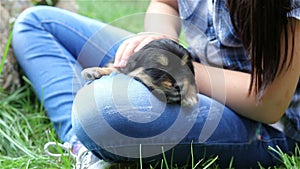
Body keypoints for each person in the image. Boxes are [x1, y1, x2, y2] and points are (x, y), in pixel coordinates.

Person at [12, 0, 299, 168]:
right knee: (37, 23)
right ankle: (82, 148)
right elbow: (165, 4)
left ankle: (98, 126)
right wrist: (162, 42)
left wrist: (175, 66)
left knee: (103, 111)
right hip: (192, 70)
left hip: (263, 124)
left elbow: (270, 103)